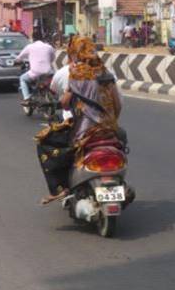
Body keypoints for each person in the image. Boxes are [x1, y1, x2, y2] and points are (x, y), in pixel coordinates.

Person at [36, 36, 125, 205]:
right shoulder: (106, 73)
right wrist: (112, 123)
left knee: (44, 142)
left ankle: (60, 189)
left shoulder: (77, 73)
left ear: (75, 53)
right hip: (109, 130)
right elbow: (118, 104)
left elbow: (65, 102)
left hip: (86, 132)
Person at [15, 31, 56, 105]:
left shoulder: (29, 47)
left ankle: (27, 98)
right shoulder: (49, 47)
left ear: (33, 38)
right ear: (43, 38)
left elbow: (19, 57)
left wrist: (16, 61)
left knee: (22, 79)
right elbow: (53, 58)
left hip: (35, 73)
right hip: (48, 72)